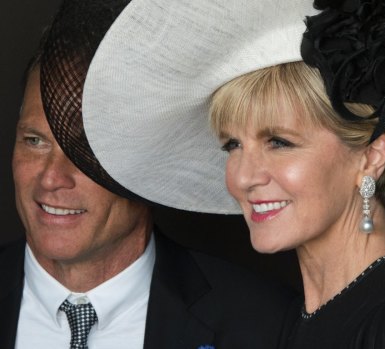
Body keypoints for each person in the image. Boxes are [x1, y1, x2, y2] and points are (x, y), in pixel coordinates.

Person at [80, 0, 385, 347]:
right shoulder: (314, 312)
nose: (243, 177)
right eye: (233, 144)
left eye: (279, 142)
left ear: (371, 156)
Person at [0, 1, 294, 348]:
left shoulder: (264, 324)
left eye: (86, 152)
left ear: (153, 163)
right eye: (35, 141)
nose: (51, 178)